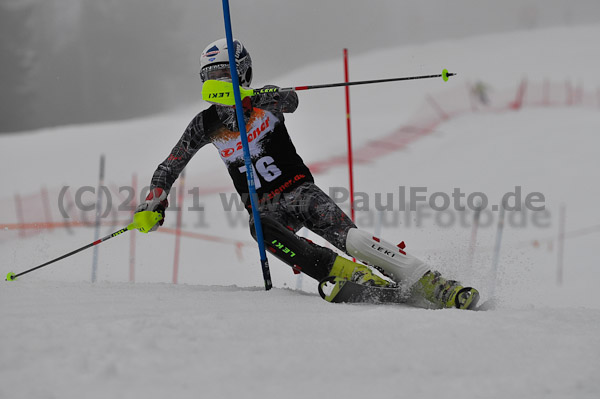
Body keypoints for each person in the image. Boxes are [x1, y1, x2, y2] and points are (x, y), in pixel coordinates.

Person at [134, 38, 479, 309]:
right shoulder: (204, 124)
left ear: (242, 73)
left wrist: (262, 95)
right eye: (211, 76)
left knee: (354, 238)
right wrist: (154, 200)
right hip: (265, 205)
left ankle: (430, 281)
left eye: (225, 74)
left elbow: (291, 100)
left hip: (300, 192)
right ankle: (347, 273)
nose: (218, 83)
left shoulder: (264, 101)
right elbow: (169, 165)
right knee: (259, 226)